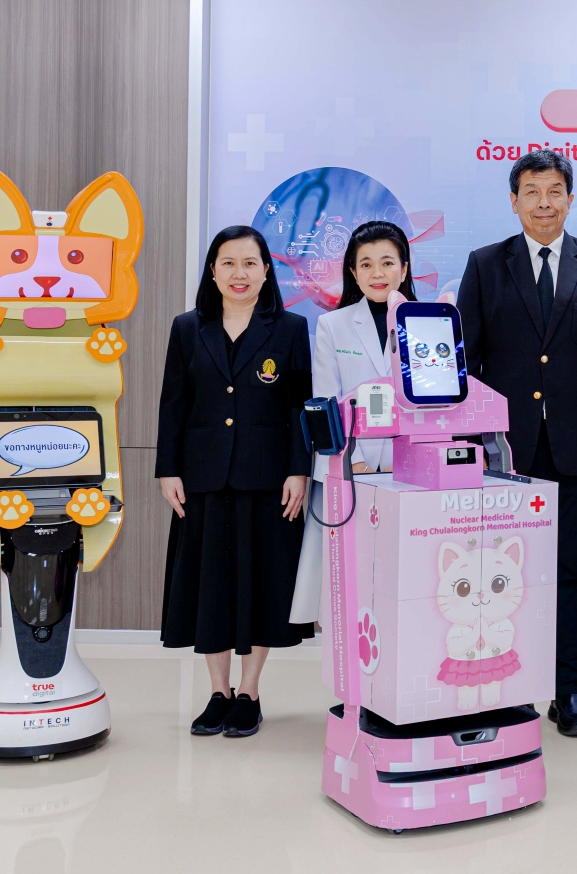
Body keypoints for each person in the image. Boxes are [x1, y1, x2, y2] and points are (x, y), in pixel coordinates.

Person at [456, 149, 577, 737]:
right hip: (503, 451)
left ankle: (569, 690)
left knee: (568, 574)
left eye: (554, 191)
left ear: (570, 198)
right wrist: (469, 444)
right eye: (532, 192)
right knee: (496, 574)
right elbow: (465, 364)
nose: (544, 203)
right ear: (514, 201)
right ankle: (504, 689)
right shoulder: (485, 265)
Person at [156, 225, 313, 738]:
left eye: (249, 263)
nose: (238, 273)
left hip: (268, 479)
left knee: (261, 583)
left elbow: (299, 407)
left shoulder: (290, 329)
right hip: (202, 478)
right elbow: (173, 403)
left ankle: (250, 692)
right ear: (212, 270)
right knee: (211, 585)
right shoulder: (187, 328)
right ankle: (218, 692)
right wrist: (167, 469)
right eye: (228, 263)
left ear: (266, 271)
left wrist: (299, 470)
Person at [287, 221, 420, 626]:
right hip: (349, 469)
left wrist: (408, 460)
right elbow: (327, 400)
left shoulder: (428, 322)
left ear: (405, 267)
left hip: (410, 471)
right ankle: (350, 664)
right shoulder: (333, 325)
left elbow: (433, 404)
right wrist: (354, 460)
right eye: (366, 264)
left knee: (406, 580)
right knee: (347, 584)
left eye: (387, 262)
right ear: (353, 272)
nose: (378, 273)